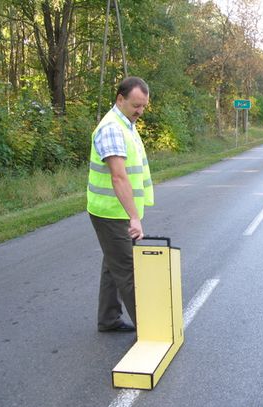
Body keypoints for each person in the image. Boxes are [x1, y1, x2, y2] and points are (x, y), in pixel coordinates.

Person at [87, 76, 154, 332]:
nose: (140, 111)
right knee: (127, 270)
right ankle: (150, 329)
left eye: (143, 106)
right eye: (136, 105)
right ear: (120, 99)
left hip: (116, 210)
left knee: (112, 265)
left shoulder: (126, 124)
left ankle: (108, 318)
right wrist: (134, 218)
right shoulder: (112, 128)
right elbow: (118, 176)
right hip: (112, 212)